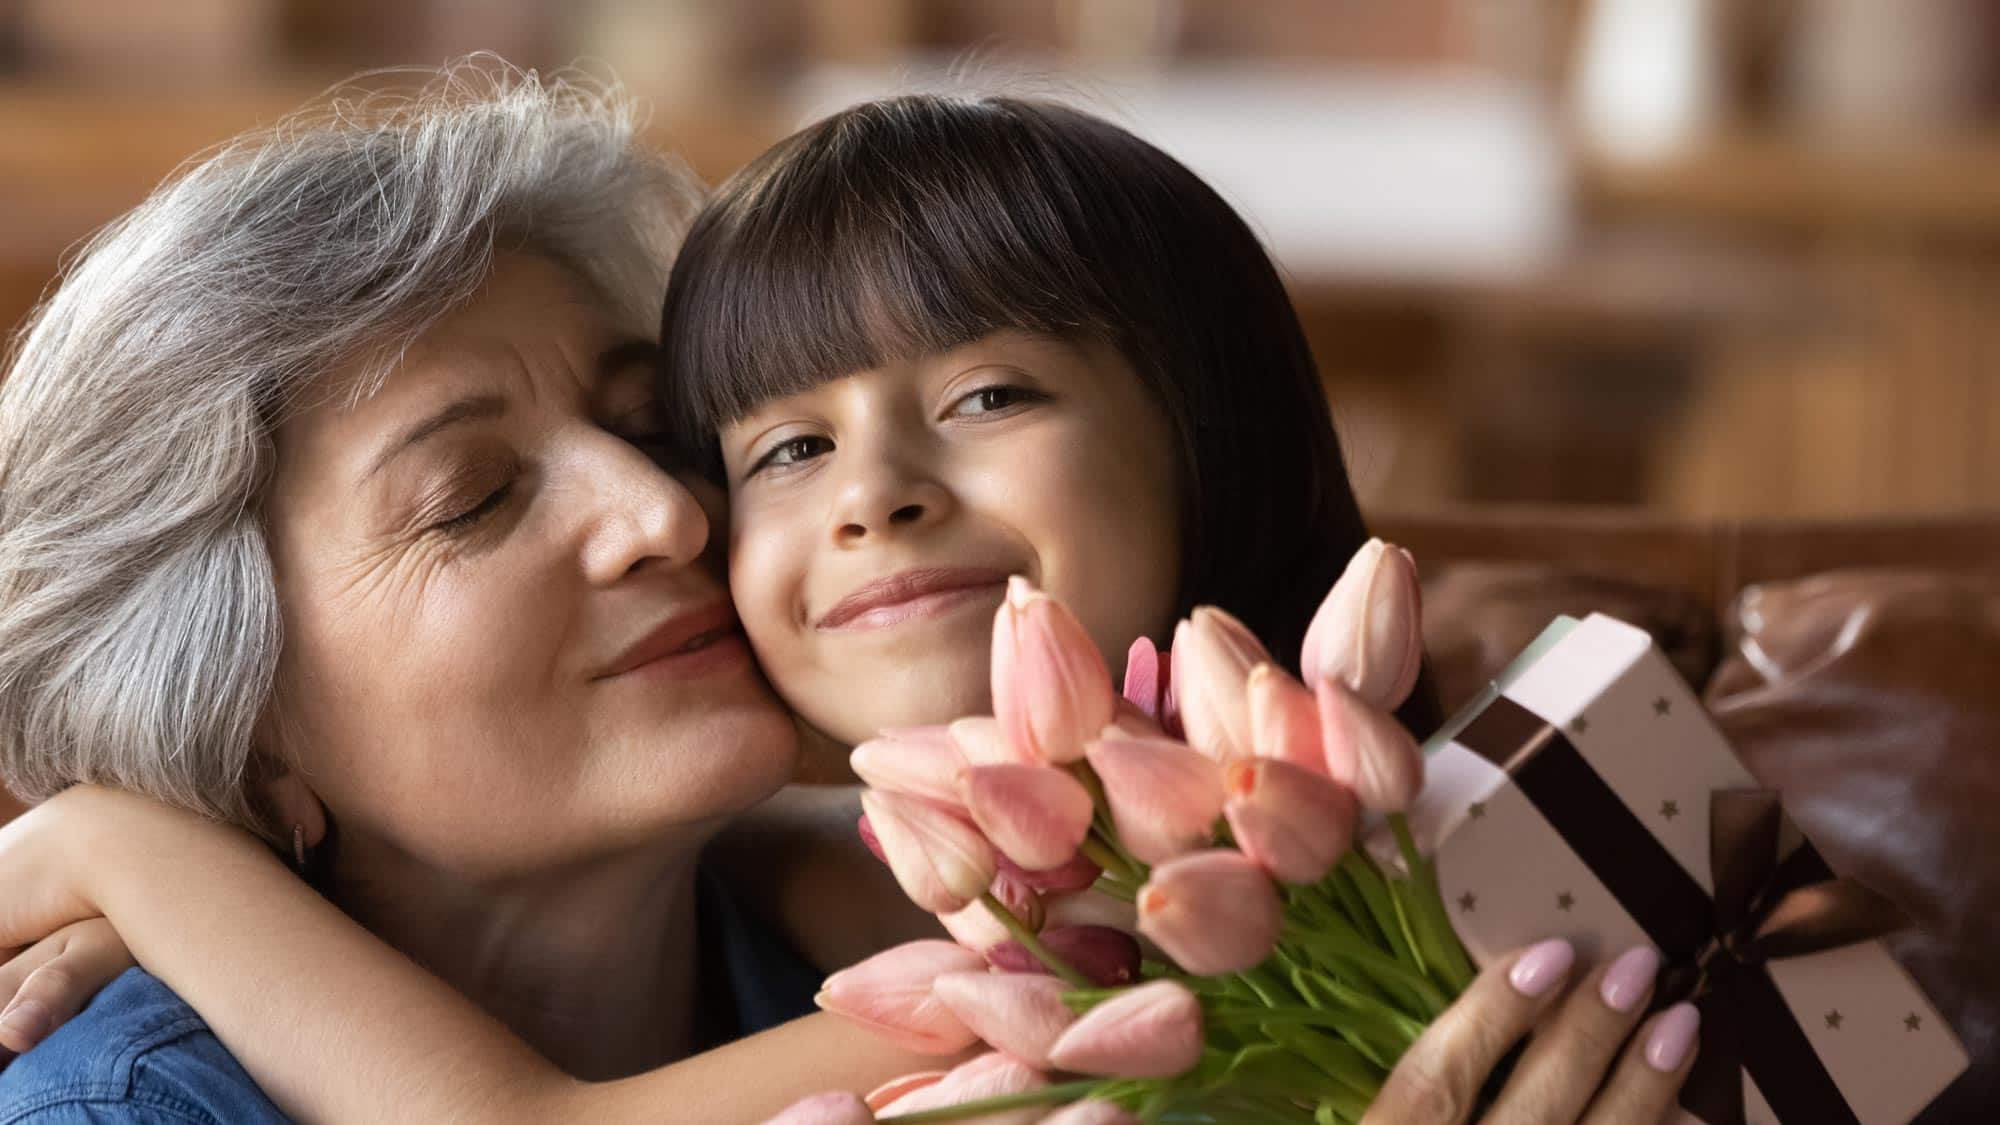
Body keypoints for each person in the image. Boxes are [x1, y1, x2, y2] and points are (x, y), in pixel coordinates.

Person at [0, 71, 1696, 1123]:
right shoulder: (132, 1106)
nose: (668, 509)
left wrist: (120, 850)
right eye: (477, 494)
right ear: (238, 719)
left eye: (656, 428)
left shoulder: (918, 911)